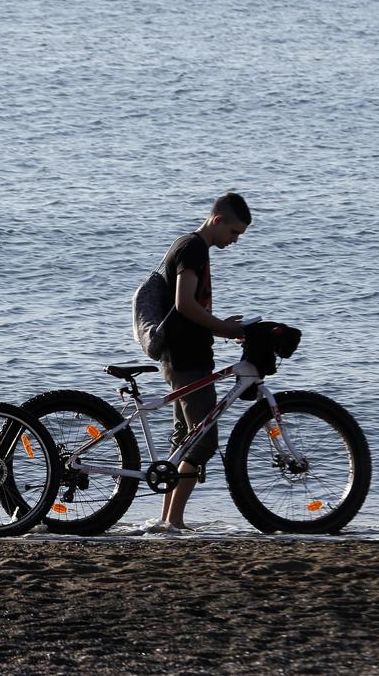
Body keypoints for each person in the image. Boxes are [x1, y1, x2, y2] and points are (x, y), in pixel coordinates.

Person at [158, 193, 251, 530]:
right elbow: (184, 304)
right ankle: (176, 521)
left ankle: (167, 520)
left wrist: (222, 324)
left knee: (185, 440)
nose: (235, 241)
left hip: (183, 355)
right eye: (234, 233)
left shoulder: (190, 246)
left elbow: (190, 308)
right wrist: (224, 329)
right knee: (202, 441)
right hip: (187, 358)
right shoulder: (194, 248)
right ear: (217, 220)